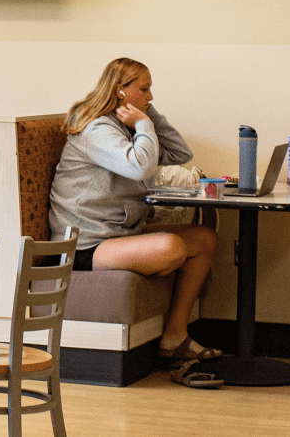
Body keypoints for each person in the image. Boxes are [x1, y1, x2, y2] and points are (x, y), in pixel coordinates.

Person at [48, 58, 219, 360]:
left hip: (118, 233)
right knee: (171, 247)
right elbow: (140, 166)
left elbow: (180, 153)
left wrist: (147, 113)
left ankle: (175, 336)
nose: (151, 96)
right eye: (144, 89)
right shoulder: (96, 129)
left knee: (204, 239)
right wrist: (143, 124)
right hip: (83, 244)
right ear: (120, 91)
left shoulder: (122, 125)